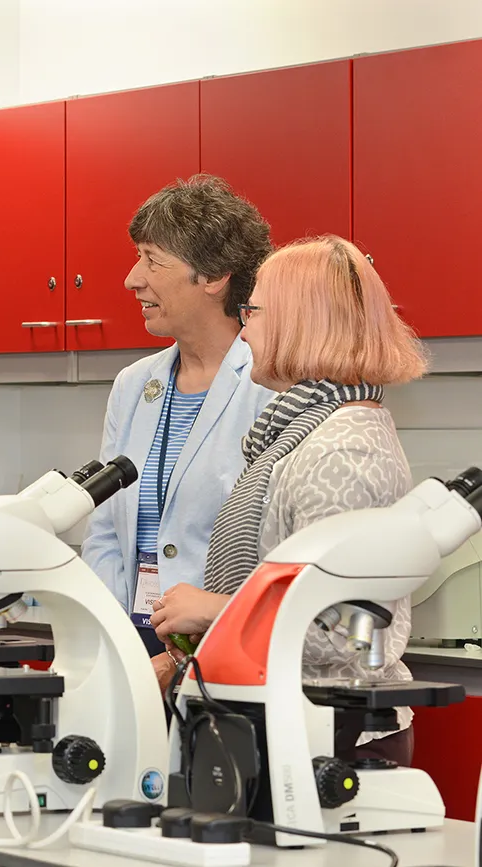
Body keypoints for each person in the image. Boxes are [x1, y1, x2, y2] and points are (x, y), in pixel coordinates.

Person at [150, 235, 427, 765]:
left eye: (252, 310)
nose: (243, 327)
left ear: (302, 321)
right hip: (285, 718)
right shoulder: (302, 430)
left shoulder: (344, 449)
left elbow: (350, 634)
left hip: (332, 735)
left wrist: (213, 611)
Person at [81, 175, 275, 684]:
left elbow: (274, 553)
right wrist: (121, 640)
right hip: (134, 641)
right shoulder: (133, 385)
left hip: (225, 646)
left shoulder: (270, 386)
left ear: (212, 277)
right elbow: (102, 528)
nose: (131, 279)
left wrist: (181, 656)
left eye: (151, 259)